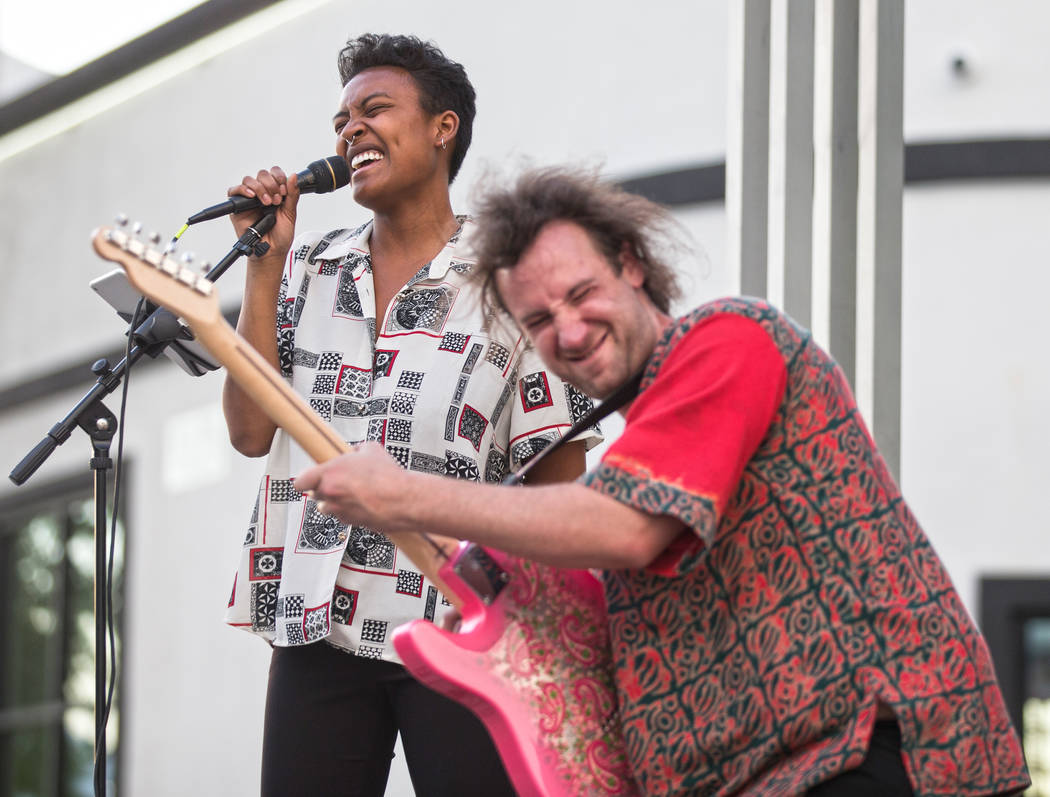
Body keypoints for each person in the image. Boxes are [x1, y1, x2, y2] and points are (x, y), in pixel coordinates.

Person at [293, 167, 1032, 796]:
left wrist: (404, 494)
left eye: (583, 293)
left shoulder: (730, 339)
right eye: (540, 320)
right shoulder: (639, 444)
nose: (571, 331)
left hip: (868, 753)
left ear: (631, 262)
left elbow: (626, 527)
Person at [221, 39, 599, 796]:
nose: (350, 131)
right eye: (341, 120)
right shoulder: (310, 269)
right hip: (317, 621)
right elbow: (250, 431)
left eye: (374, 110)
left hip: (461, 623)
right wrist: (264, 263)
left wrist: (545, 648)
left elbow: (561, 477)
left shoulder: (508, 281)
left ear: (442, 127)